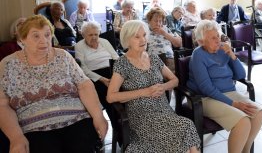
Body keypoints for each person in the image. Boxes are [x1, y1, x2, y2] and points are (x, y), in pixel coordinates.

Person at [0, 15, 108, 153]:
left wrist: (99, 117)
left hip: (76, 119)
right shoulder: (8, 64)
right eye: (36, 36)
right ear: (22, 39)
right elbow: (2, 104)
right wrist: (16, 137)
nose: (44, 41)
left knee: (83, 145)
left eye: (47, 34)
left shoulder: (63, 56)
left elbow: (84, 85)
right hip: (34, 127)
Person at [106, 20, 200, 152]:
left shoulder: (153, 57)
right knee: (185, 126)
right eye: (137, 37)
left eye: (144, 35)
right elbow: (111, 97)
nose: (143, 40)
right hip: (141, 116)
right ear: (127, 40)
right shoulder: (122, 64)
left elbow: (175, 80)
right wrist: (145, 92)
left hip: (164, 111)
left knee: (185, 129)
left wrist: (164, 87)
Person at [187, 20, 262, 152]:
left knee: (258, 114)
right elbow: (206, 88)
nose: (218, 40)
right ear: (201, 41)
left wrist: (232, 54)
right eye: (212, 37)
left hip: (229, 93)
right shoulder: (198, 55)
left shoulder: (223, 50)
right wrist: (233, 103)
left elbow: (241, 75)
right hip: (204, 98)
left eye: (217, 35)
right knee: (243, 122)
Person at [75, 21, 119, 124]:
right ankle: (118, 128)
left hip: (113, 72)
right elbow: (82, 68)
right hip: (95, 76)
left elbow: (116, 58)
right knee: (109, 100)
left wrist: (116, 75)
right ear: (83, 35)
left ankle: (128, 122)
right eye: (90, 35)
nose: (94, 37)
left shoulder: (104, 41)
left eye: (96, 34)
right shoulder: (79, 46)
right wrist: (102, 79)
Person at [146, 7, 182, 72]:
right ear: (149, 21)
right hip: (153, 60)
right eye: (155, 21)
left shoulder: (165, 29)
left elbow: (178, 44)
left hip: (169, 58)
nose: (158, 24)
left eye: (160, 21)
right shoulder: (145, 31)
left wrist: (164, 33)